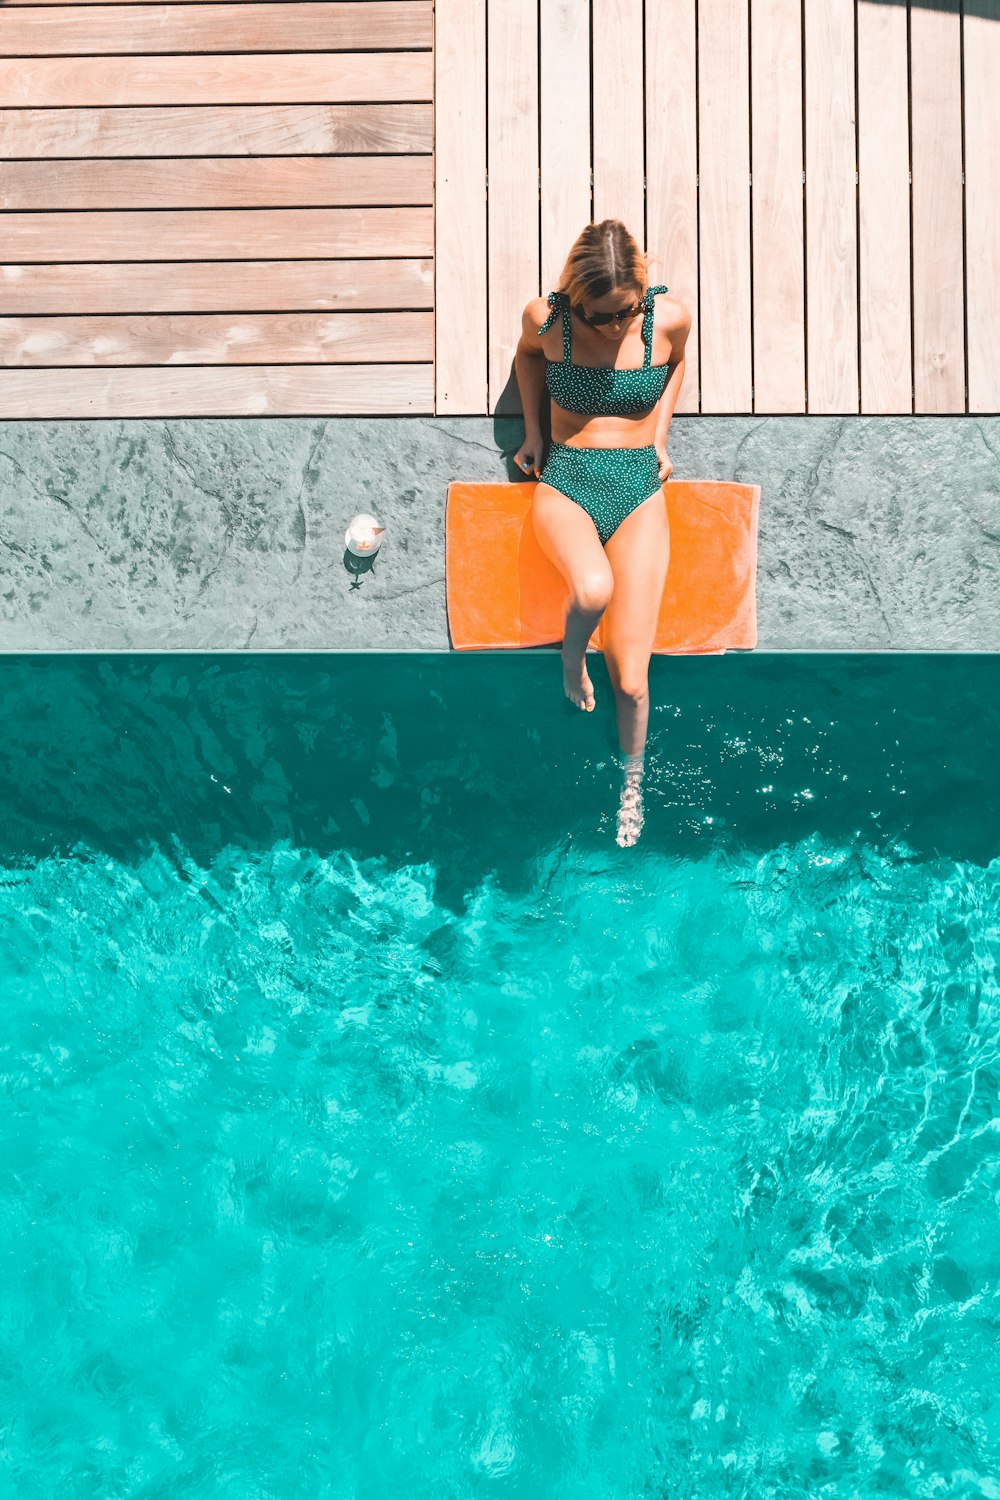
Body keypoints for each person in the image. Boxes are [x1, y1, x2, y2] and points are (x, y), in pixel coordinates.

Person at [513, 219, 690, 847]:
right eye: (600, 316)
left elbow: (675, 369)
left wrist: (661, 436)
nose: (615, 326)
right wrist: (533, 432)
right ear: (575, 297)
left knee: (634, 680)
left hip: (640, 486)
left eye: (625, 313)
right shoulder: (547, 320)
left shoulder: (668, 319)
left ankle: (632, 784)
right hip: (569, 479)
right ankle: (569, 662)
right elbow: (526, 359)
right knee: (591, 591)